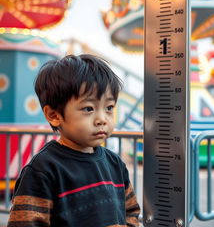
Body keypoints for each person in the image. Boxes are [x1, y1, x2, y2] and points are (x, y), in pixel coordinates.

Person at [8, 54, 140, 227]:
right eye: (88, 108)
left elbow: (130, 211)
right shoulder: (43, 170)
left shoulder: (115, 163)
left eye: (109, 108)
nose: (102, 119)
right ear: (54, 115)